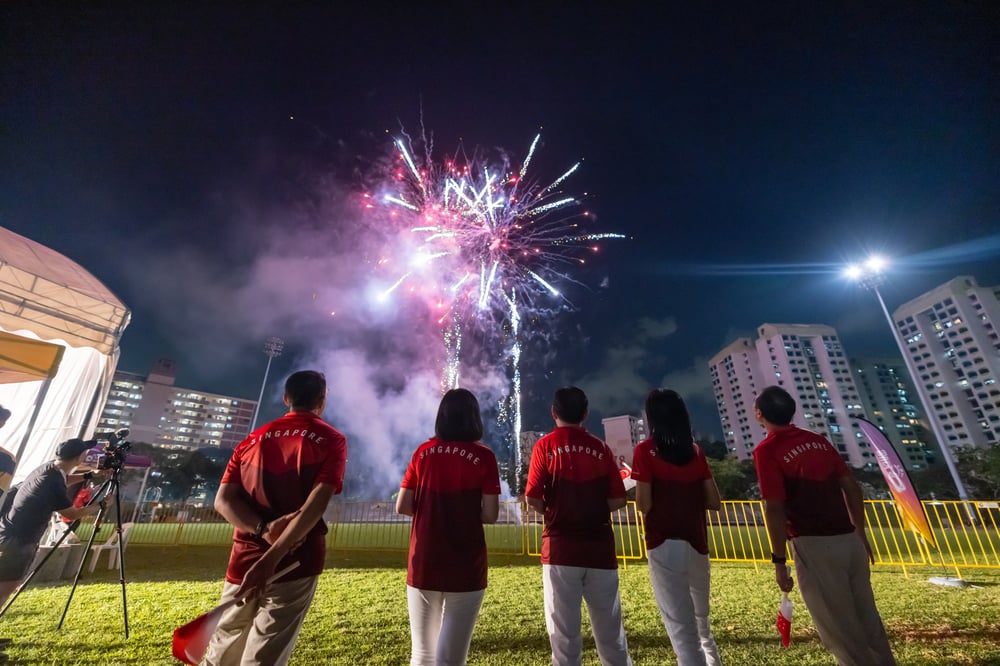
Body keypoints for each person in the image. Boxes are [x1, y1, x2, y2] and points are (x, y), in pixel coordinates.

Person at [202, 370, 348, 666]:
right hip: (296, 561)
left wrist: (263, 529)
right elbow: (315, 506)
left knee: (223, 646)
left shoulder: (251, 439)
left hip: (244, 559)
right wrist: (271, 559)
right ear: (322, 400)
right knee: (266, 653)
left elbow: (223, 501)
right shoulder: (331, 439)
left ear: (285, 399)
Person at [752, 385, 895, 666]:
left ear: (759, 414)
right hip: (849, 540)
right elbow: (852, 488)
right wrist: (860, 533)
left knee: (840, 629)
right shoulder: (818, 441)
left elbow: (774, 508)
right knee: (868, 621)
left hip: (814, 544)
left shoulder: (767, 450)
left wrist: (779, 561)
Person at [525, 386, 632, 666]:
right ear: (585, 413)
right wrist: (591, 508)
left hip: (560, 549)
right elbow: (619, 499)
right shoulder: (600, 448)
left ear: (553, 412)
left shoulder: (545, 446)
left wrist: (555, 511)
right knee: (612, 637)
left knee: (564, 640)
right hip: (600, 550)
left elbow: (532, 498)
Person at [395, 388, 501, 666]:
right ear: (474, 417)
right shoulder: (484, 456)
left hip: (424, 561)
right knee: (453, 658)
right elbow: (490, 514)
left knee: (422, 655)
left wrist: (432, 510)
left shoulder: (423, 452)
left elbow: (402, 505)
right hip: (466, 564)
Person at [631, 389, 722, 666]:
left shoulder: (645, 450)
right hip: (697, 543)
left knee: (683, 632)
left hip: (663, 543)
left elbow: (644, 504)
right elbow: (714, 501)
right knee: (702, 624)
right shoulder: (695, 451)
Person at [0, 437, 102, 606]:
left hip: (11, 533)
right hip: (18, 542)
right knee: (4, 589)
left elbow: (65, 479)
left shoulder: (50, 468)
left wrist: (90, 475)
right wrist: (101, 505)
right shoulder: (52, 483)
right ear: (79, 457)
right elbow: (73, 514)